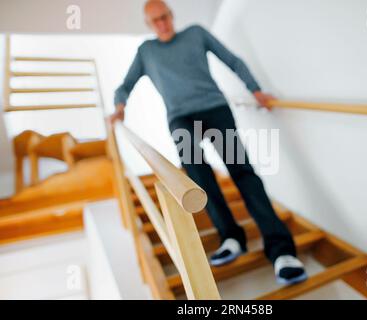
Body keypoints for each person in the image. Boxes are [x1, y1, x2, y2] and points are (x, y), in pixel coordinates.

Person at [110, 0, 307, 285]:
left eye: (165, 17)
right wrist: (119, 105)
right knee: (198, 179)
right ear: (148, 25)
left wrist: (255, 90)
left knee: (243, 174)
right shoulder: (146, 51)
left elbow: (233, 60)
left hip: (214, 109)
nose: (162, 24)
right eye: (155, 21)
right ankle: (231, 237)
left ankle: (282, 253)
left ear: (171, 15)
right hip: (181, 119)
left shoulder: (196, 34)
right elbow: (124, 85)